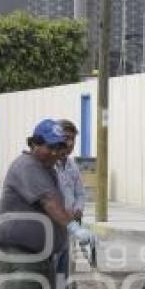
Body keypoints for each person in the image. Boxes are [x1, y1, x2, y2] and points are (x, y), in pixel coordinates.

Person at [0, 119, 93, 289]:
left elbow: (64, 201)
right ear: (35, 144)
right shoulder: (27, 166)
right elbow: (50, 202)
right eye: (50, 147)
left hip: (42, 254)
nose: (56, 152)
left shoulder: (47, 167)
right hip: (22, 254)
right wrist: (74, 228)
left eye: (60, 147)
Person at [54, 119, 87, 279]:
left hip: (70, 227)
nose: (69, 143)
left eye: (72, 139)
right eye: (66, 138)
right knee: (52, 273)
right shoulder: (49, 164)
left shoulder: (72, 165)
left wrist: (78, 209)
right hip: (53, 227)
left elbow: (80, 193)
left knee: (67, 273)